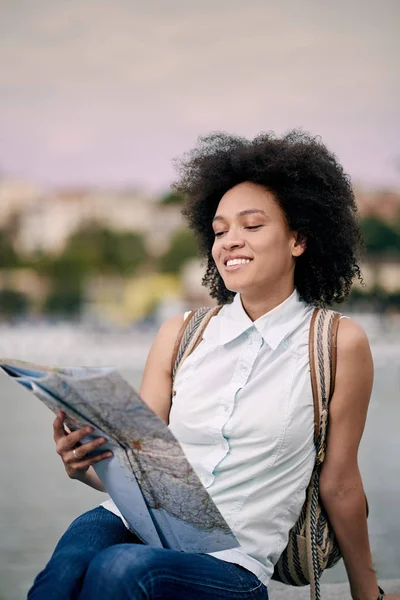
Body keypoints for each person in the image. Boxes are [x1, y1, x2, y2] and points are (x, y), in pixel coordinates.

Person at [28, 131, 395, 600]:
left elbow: (340, 482)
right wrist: (83, 465)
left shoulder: (337, 343)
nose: (230, 242)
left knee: (121, 569)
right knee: (68, 568)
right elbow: (143, 471)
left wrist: (368, 593)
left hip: (232, 566)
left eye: (252, 226)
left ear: (299, 238)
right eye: (220, 230)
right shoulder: (180, 335)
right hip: (136, 523)